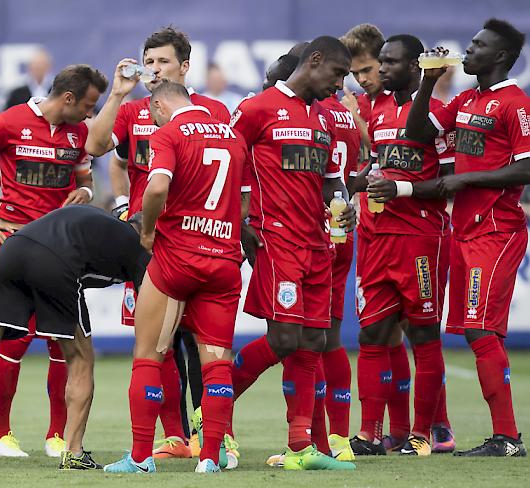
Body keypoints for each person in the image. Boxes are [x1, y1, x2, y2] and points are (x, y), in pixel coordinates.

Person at [86, 26, 231, 461]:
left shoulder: (212, 110)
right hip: (148, 245)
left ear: (185, 67)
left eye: (163, 62)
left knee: (196, 346)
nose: (153, 69)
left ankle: (214, 437)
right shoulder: (132, 113)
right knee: (158, 344)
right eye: (148, 62)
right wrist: (115, 95)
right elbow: (95, 146)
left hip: (194, 240)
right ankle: (176, 436)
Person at [0, 64, 107, 457]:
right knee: (14, 337)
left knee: (61, 339)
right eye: (87, 105)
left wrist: (84, 195)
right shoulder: (8, 122)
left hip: (64, 251)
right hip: (17, 245)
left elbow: (84, 180)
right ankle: (0, 436)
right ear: (68, 98)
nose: (90, 114)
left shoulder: (80, 133)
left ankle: (56, 436)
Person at [0, 205, 149, 471]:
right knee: (81, 360)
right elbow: (153, 310)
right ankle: (73, 453)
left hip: (14, 248)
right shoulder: (141, 249)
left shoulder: (102, 222)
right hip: (57, 260)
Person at [103, 80, 247, 474]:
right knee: (216, 362)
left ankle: (139, 458)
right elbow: (246, 197)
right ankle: (210, 459)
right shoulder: (233, 135)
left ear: (161, 106)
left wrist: (148, 231)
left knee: (149, 355)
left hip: (176, 261)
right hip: (223, 263)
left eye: (151, 114)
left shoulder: (167, 133)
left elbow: (156, 188)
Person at [228, 37, 356, 471]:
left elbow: (331, 180)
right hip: (276, 239)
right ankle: (215, 402)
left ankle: (300, 446)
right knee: (285, 339)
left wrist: (344, 205)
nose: (339, 85)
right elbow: (225, 165)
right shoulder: (257, 109)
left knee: (313, 342)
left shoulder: (324, 118)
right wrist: (239, 222)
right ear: (314, 61)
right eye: (337, 74)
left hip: (318, 241)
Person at [405, 18, 530, 457]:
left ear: (499, 56)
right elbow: (417, 132)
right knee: (479, 332)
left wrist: (465, 181)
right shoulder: (466, 99)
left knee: (479, 330)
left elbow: (527, 167)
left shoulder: (515, 104)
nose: (469, 51)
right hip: (467, 231)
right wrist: (426, 83)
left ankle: (508, 438)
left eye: (478, 46)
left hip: (497, 230)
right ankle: (507, 437)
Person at [340, 25, 457, 454]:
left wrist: (402, 189)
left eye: (388, 63)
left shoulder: (437, 114)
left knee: (424, 335)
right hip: (377, 239)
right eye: (379, 63)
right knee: (372, 336)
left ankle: (424, 434)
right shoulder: (374, 109)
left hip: (421, 239)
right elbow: (375, 165)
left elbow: (449, 182)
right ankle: (370, 433)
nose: (381, 71)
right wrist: (351, 188)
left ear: (414, 66)